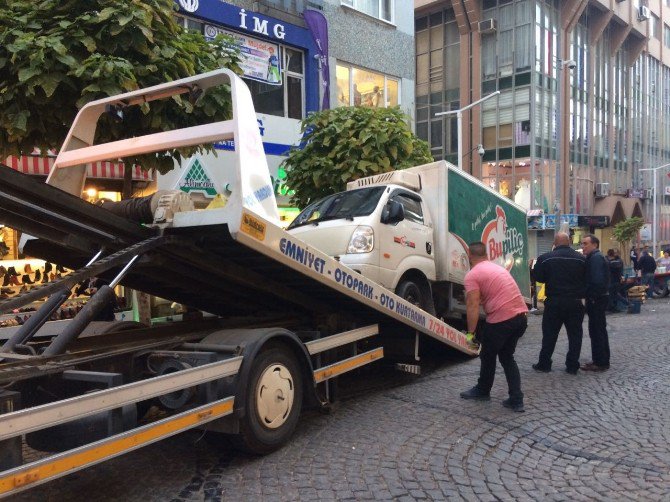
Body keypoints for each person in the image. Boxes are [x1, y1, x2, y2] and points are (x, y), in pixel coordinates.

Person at [459, 242, 528, 412]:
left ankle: (483, 390)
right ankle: (516, 399)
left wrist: (470, 334)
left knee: (487, 355)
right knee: (506, 357)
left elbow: (473, 306)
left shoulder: (473, 274)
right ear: (486, 254)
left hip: (501, 320)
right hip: (521, 318)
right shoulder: (497, 268)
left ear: (469, 255)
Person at [531, 232, 586, 374]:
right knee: (575, 335)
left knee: (549, 334)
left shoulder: (545, 258)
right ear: (569, 242)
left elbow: (539, 278)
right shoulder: (581, 259)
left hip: (554, 302)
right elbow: (587, 279)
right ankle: (572, 365)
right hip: (575, 302)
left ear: (554, 243)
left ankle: (544, 363)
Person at [580, 234, 610, 372]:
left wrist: (587, 294)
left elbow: (596, 281)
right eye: (582, 243)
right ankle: (599, 359)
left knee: (597, 330)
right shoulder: (595, 257)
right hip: (598, 298)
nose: (583, 246)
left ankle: (601, 362)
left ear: (595, 244)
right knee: (598, 330)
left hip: (596, 299)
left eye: (586, 243)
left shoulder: (596, 258)